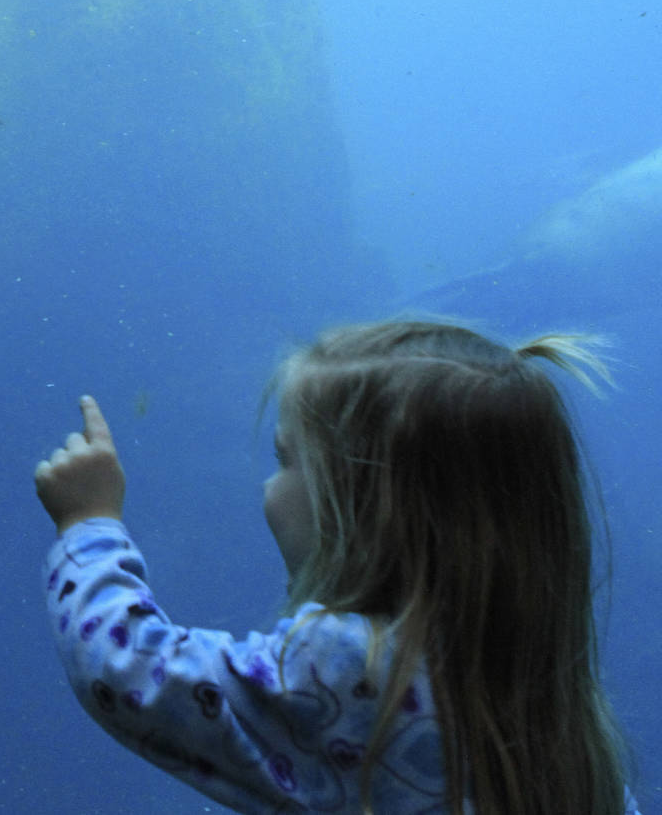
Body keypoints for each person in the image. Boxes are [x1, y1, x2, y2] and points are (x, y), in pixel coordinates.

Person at [33, 319, 639, 815]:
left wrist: (88, 523)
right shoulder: (552, 700)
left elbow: (134, 675)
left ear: (363, 507)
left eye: (286, 459)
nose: (269, 485)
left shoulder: (359, 667)